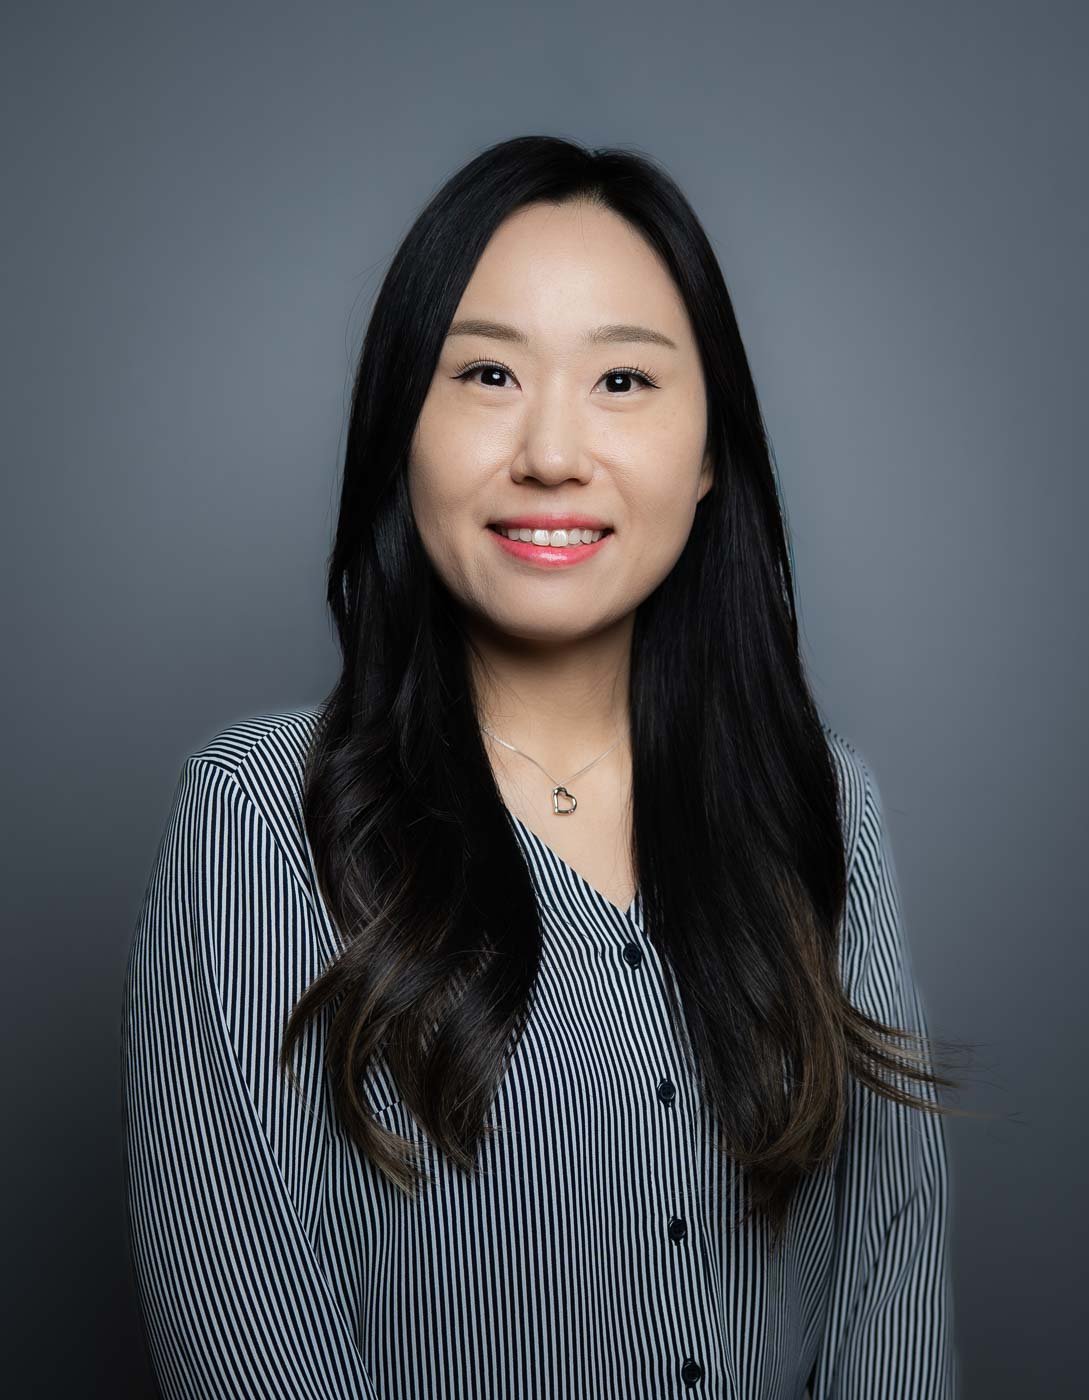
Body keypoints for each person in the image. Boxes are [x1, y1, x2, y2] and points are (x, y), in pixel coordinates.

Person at [121, 135, 962, 1398]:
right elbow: (247, 1348)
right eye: (488, 372)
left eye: (623, 378)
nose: (552, 451)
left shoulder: (821, 801)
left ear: (709, 449)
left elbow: (889, 1291)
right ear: (401, 420)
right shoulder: (258, 818)